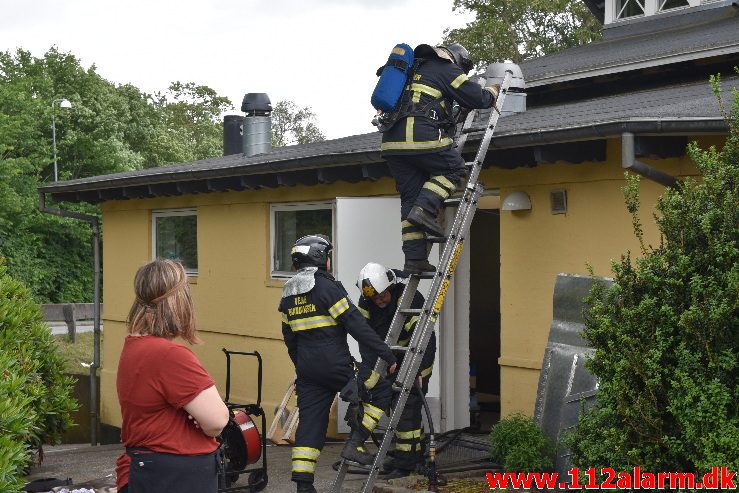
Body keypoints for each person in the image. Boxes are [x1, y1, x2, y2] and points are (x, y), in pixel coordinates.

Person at [279, 235, 398, 493]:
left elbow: (290, 339)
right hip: (338, 367)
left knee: (310, 426)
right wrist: (387, 354)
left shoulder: (288, 294)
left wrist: (301, 370)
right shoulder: (327, 288)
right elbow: (356, 325)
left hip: (308, 373)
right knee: (380, 390)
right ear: (320, 258)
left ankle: (303, 485)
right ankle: (355, 444)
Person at [380, 42, 500, 274]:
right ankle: (424, 210)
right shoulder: (446, 69)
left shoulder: (410, 71)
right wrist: (493, 91)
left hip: (392, 143)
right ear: (456, 59)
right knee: (453, 169)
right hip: (420, 137)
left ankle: (414, 259)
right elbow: (478, 98)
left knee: (410, 198)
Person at [115, 259, 229, 493]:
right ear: (179, 301)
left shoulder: (134, 346)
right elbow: (217, 421)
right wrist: (200, 417)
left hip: (149, 470)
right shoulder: (169, 355)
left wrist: (195, 414)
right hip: (175, 477)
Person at [356, 262, 437, 479]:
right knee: (395, 406)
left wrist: (419, 370)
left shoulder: (410, 299)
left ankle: (406, 463)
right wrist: (375, 370)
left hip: (415, 357)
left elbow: (424, 338)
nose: (379, 300)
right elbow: (365, 338)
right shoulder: (366, 302)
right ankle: (413, 453)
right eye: (374, 298)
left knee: (407, 409)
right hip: (387, 360)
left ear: (390, 287)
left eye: (382, 295)